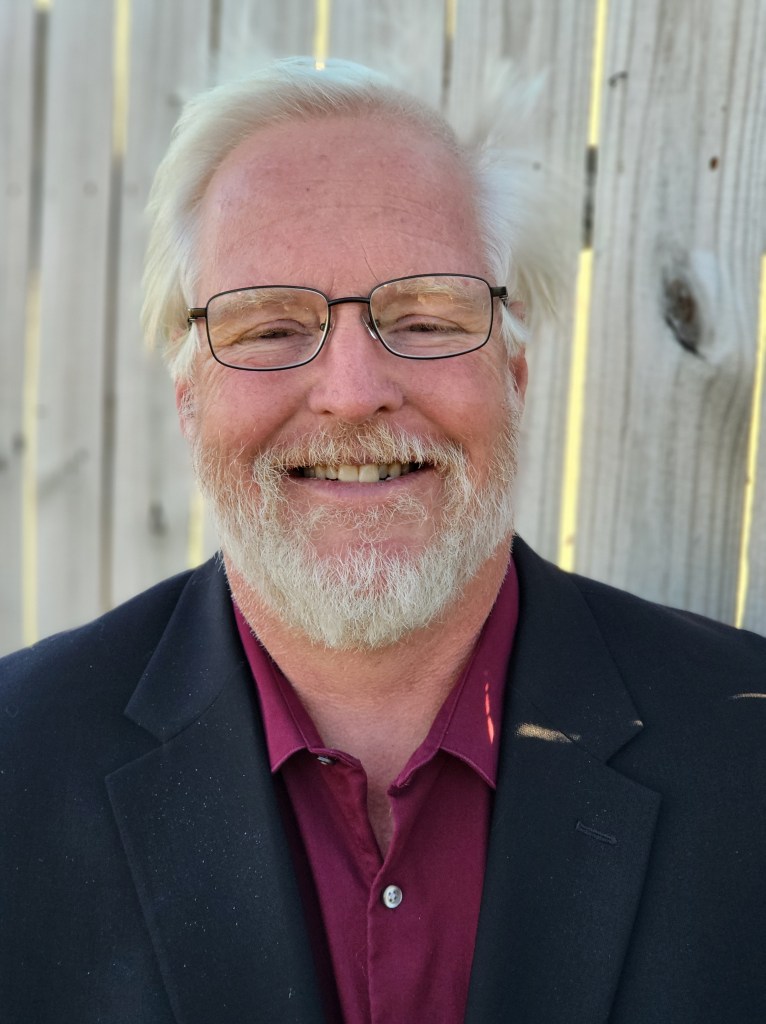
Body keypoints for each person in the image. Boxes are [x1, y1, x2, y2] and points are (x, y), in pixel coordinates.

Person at [1, 57, 764, 1024]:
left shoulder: (747, 754)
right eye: (271, 328)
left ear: (514, 378)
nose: (355, 391)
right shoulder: (16, 766)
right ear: (190, 400)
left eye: (425, 318)